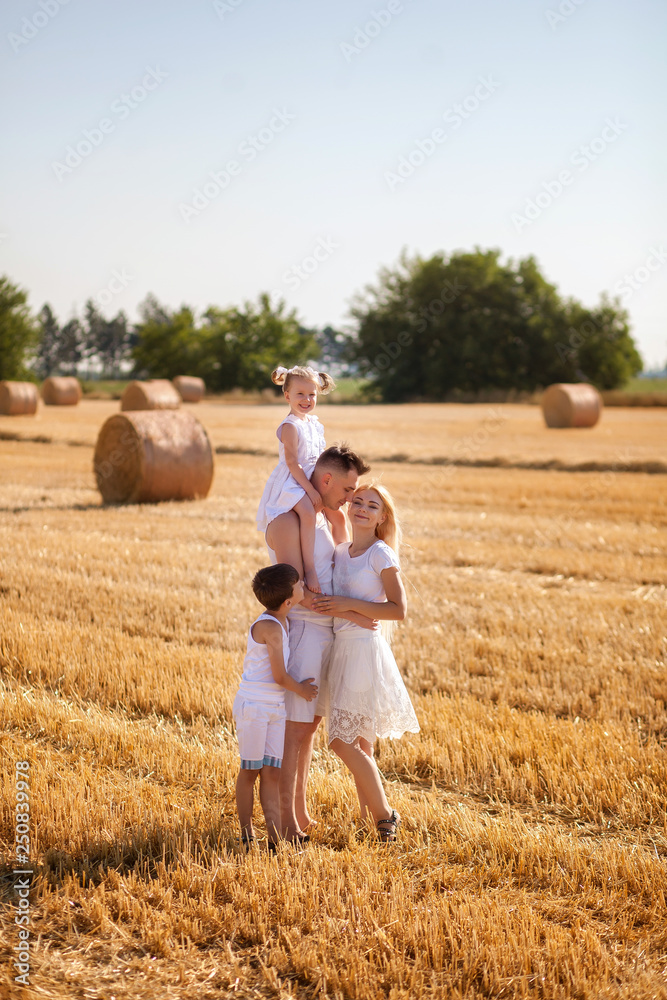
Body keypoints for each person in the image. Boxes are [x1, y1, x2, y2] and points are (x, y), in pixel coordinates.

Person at [265, 443, 371, 841]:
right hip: (307, 631)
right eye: (347, 490)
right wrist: (349, 613)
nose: (350, 498)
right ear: (326, 480)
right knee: (294, 731)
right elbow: (296, 591)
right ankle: (285, 825)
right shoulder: (287, 521)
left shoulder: (324, 518)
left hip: (327, 633)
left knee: (309, 728)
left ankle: (301, 812)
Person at [312, 483, 420, 843]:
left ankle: (386, 816)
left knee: (341, 743)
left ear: (382, 517)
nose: (361, 508)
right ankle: (367, 821)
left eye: (371, 505)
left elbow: (398, 609)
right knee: (363, 742)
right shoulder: (341, 552)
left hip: (362, 652)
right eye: (357, 501)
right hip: (342, 648)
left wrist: (346, 606)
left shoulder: (380, 554)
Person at [232, 563, 318, 849]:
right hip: (255, 707)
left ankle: (274, 836)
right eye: (299, 585)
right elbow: (280, 676)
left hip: (274, 708)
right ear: (288, 601)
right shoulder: (270, 627)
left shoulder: (284, 620)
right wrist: (304, 690)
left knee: (271, 772)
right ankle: (246, 833)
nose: (303, 585)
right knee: (250, 771)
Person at [256, 365, 346, 595]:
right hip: (294, 482)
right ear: (287, 396)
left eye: (311, 394)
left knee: (338, 515)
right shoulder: (290, 426)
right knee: (308, 512)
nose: (306, 399)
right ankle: (310, 568)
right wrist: (311, 491)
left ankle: (343, 561)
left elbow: (320, 458)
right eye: (300, 394)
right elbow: (292, 464)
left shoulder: (314, 423)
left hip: (312, 478)